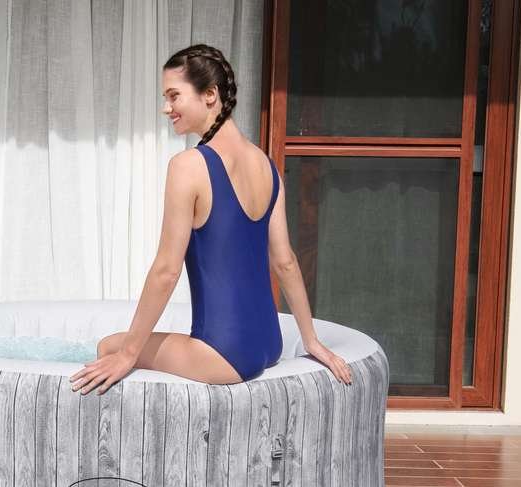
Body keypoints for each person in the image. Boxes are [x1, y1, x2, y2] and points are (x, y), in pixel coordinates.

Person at [70, 44, 352, 395]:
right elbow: (286, 262)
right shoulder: (267, 166)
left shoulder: (188, 166)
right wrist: (311, 341)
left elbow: (166, 271)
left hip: (222, 354)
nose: (166, 107)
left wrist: (128, 355)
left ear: (210, 95)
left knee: (108, 347)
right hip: (269, 344)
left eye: (174, 96)